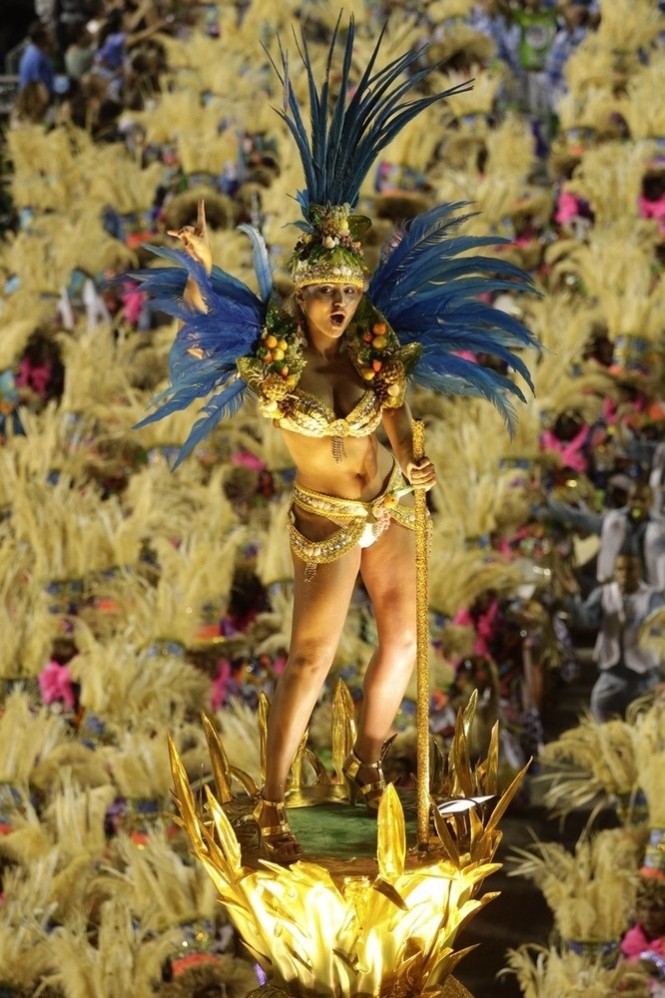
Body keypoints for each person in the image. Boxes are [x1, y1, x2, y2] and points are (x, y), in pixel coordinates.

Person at [135, 23, 537, 864]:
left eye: (350, 296)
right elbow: (207, 334)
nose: (342, 309)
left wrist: (413, 457)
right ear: (304, 295)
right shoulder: (273, 356)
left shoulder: (374, 346)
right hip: (325, 517)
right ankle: (276, 800)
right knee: (310, 659)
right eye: (327, 297)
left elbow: (395, 412)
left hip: (392, 501)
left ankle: (367, 769)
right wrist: (201, 273)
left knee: (400, 639)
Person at [566, 552, 665, 722]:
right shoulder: (604, 594)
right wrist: (574, 596)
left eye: (630, 569)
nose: (625, 574)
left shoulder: (652, 597)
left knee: (646, 728)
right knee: (599, 713)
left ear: (639, 571)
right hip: (612, 675)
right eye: (620, 569)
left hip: (644, 678)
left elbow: (659, 635)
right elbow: (586, 620)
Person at [18, 21, 55, 100]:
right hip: (35, 102)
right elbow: (37, 84)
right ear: (40, 38)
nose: (51, 37)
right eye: (48, 34)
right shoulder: (35, 56)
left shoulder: (36, 52)